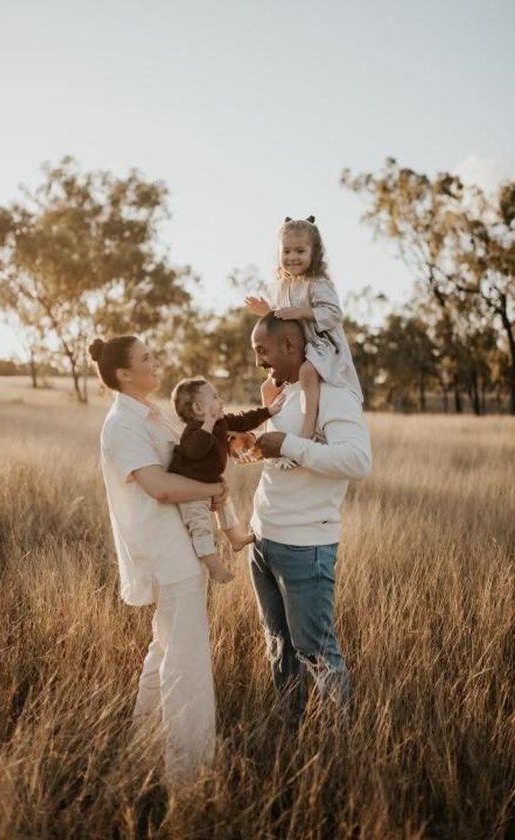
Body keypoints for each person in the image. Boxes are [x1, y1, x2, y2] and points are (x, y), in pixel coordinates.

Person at [89, 335, 224, 787]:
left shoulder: (150, 414)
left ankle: (139, 754)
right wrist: (212, 491)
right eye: (148, 357)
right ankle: (189, 778)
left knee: (164, 650)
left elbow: (185, 463)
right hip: (167, 554)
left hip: (178, 548)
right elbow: (161, 487)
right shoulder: (122, 426)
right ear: (124, 374)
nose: (158, 360)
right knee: (186, 666)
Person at [248, 312, 372, 721]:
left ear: (290, 346)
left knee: (316, 652)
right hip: (263, 539)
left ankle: (341, 746)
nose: (259, 362)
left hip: (305, 546)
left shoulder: (335, 394)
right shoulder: (284, 393)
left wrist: (287, 445)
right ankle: (289, 725)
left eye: (262, 351)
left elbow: (357, 460)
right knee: (278, 643)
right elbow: (282, 455)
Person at [244, 216, 363, 469]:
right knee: (267, 388)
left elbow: (334, 314)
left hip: (322, 344)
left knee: (308, 372)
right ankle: (266, 432)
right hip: (298, 347)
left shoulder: (318, 284)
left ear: (314, 252)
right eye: (286, 251)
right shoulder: (282, 285)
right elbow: (281, 317)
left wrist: (303, 312)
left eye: (300, 250)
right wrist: (267, 311)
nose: (292, 257)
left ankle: (308, 428)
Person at [168, 377, 284, 584]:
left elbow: (243, 419)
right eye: (214, 397)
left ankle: (236, 539)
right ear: (198, 407)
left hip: (212, 484)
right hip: (190, 491)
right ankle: (214, 566)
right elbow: (196, 451)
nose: (220, 400)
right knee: (200, 526)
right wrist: (209, 424)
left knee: (226, 508)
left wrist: (268, 411)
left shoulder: (222, 422)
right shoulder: (192, 433)